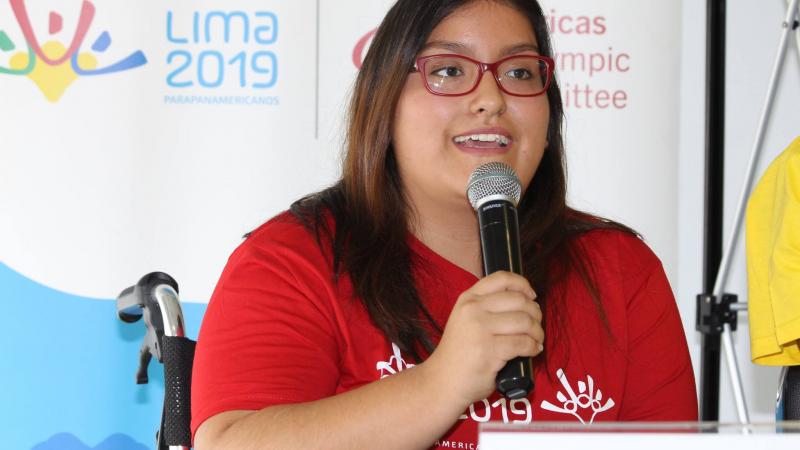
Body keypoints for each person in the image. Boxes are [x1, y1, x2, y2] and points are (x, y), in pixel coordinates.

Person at [191, 0, 698, 448]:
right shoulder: (293, 259)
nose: (491, 100)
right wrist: (442, 383)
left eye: (519, 72)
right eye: (450, 70)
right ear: (385, 102)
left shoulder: (619, 268)